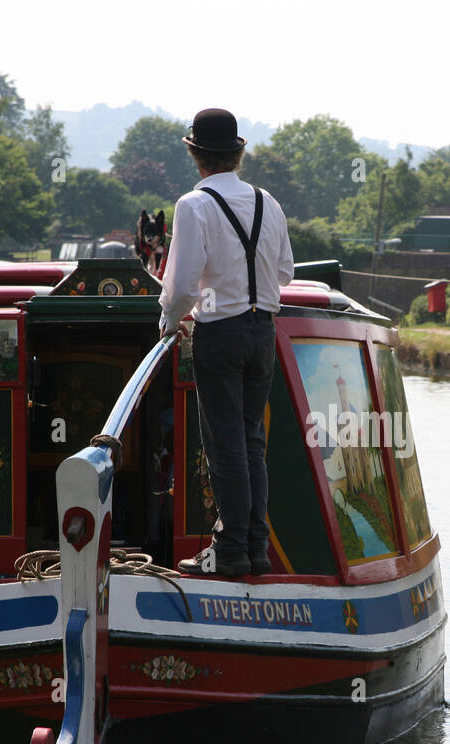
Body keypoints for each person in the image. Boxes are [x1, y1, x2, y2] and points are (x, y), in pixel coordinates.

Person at [159, 108, 295, 577]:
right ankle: (255, 547)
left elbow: (181, 287)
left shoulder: (193, 205)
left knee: (225, 444)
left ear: (197, 157)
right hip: (263, 332)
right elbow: (284, 273)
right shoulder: (268, 202)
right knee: (252, 441)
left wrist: (169, 321)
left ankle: (230, 550)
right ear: (237, 154)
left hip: (220, 332)